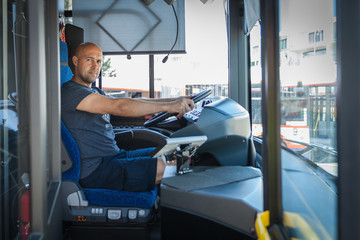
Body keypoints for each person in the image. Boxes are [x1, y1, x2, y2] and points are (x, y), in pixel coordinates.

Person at [61, 42, 194, 192]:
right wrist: (168, 107)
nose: (95, 66)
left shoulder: (95, 91)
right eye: (89, 59)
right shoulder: (70, 92)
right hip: (96, 169)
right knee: (171, 166)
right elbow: (118, 106)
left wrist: (175, 100)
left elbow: (137, 101)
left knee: (171, 154)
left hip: (114, 156)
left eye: (98, 61)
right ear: (75, 61)